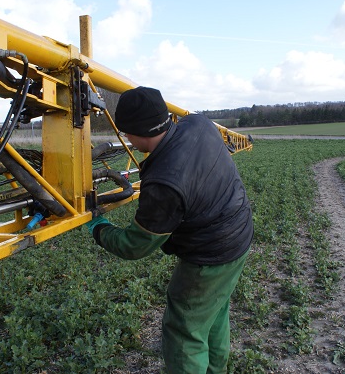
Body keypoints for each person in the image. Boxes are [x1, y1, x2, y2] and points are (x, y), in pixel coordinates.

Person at [86, 86, 253, 373]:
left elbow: (135, 244)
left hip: (210, 255)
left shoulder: (164, 183)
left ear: (140, 130)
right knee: (213, 311)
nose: (125, 138)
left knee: (184, 328)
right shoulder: (198, 123)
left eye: (126, 132)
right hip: (239, 235)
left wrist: (99, 228)